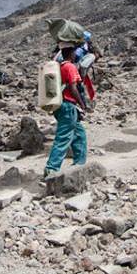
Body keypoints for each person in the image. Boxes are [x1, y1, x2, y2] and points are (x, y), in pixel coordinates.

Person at [44, 46, 89, 178]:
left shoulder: (59, 66)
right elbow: (73, 88)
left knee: (80, 135)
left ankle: (79, 164)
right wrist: (82, 104)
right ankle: (51, 169)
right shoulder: (70, 67)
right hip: (68, 106)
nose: (76, 54)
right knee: (63, 138)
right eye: (75, 52)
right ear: (71, 53)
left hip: (60, 106)